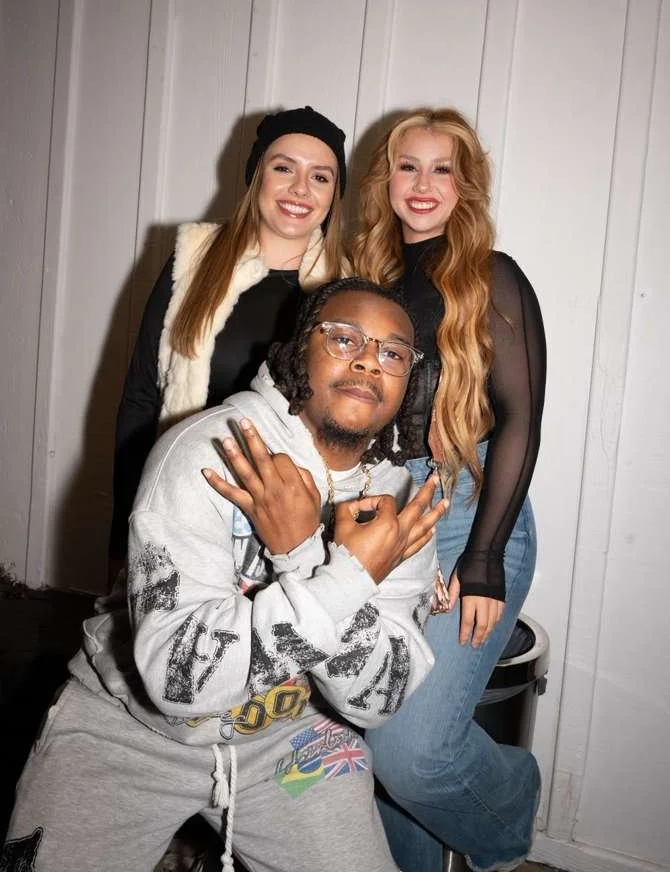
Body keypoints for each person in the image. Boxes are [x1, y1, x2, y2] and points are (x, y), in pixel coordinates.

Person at [3, 279, 447, 872]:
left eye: (393, 352)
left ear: (407, 381)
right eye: (343, 338)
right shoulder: (206, 451)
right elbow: (177, 681)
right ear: (296, 354)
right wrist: (341, 574)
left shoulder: (402, 501)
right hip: (127, 729)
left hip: (288, 740)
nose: (368, 358)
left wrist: (300, 553)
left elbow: (380, 698)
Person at [353, 108, 547, 872]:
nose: (424, 183)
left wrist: (484, 558)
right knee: (368, 742)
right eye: (409, 165)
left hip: (471, 514)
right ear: (387, 179)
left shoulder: (493, 278)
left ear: (465, 184)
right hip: (381, 519)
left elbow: (523, 421)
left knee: (409, 752)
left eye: (443, 168)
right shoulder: (363, 280)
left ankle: (510, 808)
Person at [109, 105, 348, 577]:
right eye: (284, 168)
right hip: (181, 505)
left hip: (286, 528)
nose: (301, 189)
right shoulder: (193, 259)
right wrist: (124, 531)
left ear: (334, 195)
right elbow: (140, 397)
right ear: (256, 175)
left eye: (320, 177)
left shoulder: (349, 289)